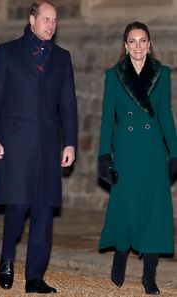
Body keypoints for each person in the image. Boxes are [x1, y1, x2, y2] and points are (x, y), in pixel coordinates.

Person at [0, 1, 77, 294]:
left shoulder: (63, 58)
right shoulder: (7, 52)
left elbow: (69, 106)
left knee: (44, 211)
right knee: (17, 204)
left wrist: (71, 143)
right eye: (46, 19)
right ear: (32, 19)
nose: (51, 25)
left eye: (55, 20)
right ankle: (7, 258)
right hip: (14, 145)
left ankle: (35, 277)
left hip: (49, 147)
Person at [98, 21, 177, 295]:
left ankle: (149, 275)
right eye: (133, 41)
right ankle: (121, 253)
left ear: (149, 44)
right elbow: (108, 117)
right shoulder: (114, 75)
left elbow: (165, 115)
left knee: (155, 212)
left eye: (143, 40)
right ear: (125, 46)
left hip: (153, 150)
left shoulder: (162, 73)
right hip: (127, 150)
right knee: (127, 208)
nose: (138, 46)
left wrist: (175, 151)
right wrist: (103, 155)